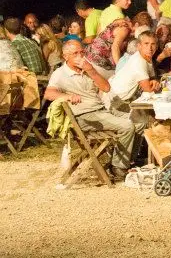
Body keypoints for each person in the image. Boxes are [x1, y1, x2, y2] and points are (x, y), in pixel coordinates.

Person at [45, 40, 139, 179]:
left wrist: (91, 70)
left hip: (101, 110)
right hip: (84, 116)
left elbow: (106, 88)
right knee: (127, 126)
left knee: (140, 121)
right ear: (66, 56)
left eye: (82, 52)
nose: (80, 56)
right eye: (75, 53)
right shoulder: (60, 74)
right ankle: (118, 167)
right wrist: (68, 96)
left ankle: (128, 159)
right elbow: (48, 94)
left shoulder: (88, 68)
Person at [108, 30, 161, 106]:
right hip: (117, 102)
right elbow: (148, 90)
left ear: (156, 46)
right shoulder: (139, 62)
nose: (150, 48)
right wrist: (154, 85)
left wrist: (154, 83)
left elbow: (152, 79)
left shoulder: (147, 57)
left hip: (127, 98)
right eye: (146, 44)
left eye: (153, 44)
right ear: (139, 46)